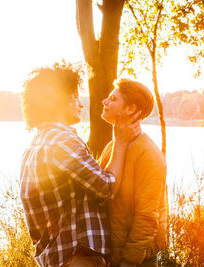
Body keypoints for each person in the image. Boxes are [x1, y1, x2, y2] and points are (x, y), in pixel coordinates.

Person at [19, 63, 141, 267]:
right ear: (61, 100)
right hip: (77, 258)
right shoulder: (63, 141)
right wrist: (119, 142)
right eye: (75, 96)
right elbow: (106, 187)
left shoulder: (33, 147)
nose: (80, 104)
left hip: (55, 259)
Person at [99, 78, 167, 267]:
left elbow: (147, 217)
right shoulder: (114, 147)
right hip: (112, 258)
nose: (105, 101)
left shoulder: (149, 154)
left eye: (113, 99)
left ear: (130, 108)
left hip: (136, 262)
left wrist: (128, 262)